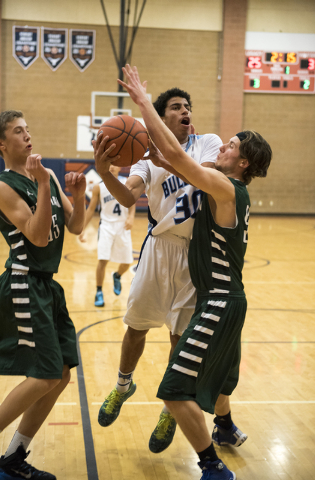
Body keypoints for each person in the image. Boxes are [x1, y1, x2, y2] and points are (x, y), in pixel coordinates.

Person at [113, 65, 272, 480]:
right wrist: (159, 157)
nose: (222, 145)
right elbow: (180, 165)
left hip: (218, 299)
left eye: (231, 145)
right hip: (225, 296)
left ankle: (212, 466)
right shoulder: (225, 185)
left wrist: (144, 103)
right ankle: (223, 428)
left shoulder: (224, 187)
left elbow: (185, 161)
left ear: (243, 161)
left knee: (175, 388)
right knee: (222, 378)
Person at [94, 87, 223, 452]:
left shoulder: (208, 143)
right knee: (136, 328)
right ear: (163, 117)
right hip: (157, 248)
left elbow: (201, 178)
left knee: (178, 337)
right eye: (177, 107)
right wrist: (105, 174)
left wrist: (167, 157)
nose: (185, 111)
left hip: (193, 252)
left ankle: (172, 405)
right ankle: (122, 386)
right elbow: (127, 195)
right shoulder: (145, 158)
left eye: (188, 106)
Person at [0, 110, 86, 480]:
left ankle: (13, 458)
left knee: (60, 374)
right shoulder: (2, 186)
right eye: (19, 131)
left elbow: (76, 225)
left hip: (47, 285)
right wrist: (45, 185)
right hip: (23, 283)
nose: (27, 135)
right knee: (45, 374)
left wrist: (78, 196)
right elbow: (37, 236)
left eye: (28, 129)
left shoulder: (44, 175)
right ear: (1, 144)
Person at [79, 165, 135, 307]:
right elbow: (91, 209)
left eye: (114, 164)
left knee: (127, 262)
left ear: (119, 167)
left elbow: (132, 200)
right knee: (103, 260)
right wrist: (82, 229)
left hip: (123, 226)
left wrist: (131, 216)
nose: (111, 167)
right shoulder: (98, 187)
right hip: (106, 226)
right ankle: (99, 291)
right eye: (108, 163)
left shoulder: (126, 182)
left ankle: (117, 276)